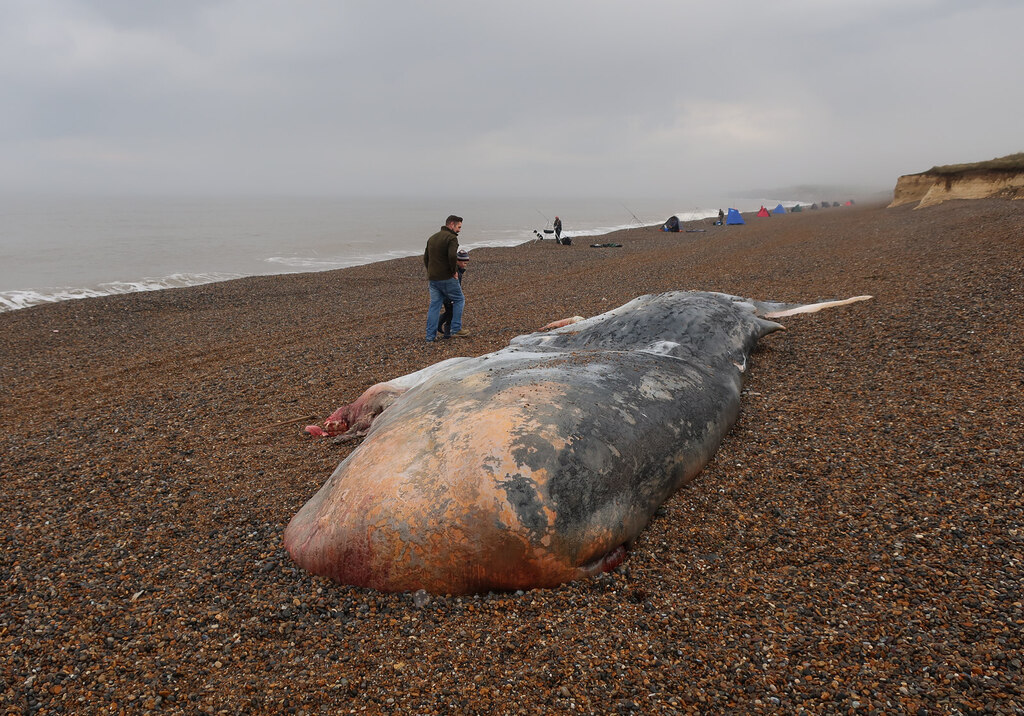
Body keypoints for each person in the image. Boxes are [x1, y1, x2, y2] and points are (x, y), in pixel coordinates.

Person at [423, 215, 468, 342]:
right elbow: (452, 256)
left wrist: (430, 272)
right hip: (447, 277)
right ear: (451, 224)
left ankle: (430, 337)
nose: (459, 230)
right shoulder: (451, 238)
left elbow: (426, 258)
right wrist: (454, 271)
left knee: (434, 306)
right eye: (458, 227)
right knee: (459, 299)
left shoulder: (432, 238)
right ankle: (456, 329)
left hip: (433, 278)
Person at [437, 249, 469, 338]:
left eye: (466, 263)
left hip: (449, 295)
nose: (465, 265)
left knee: (449, 312)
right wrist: (452, 298)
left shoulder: (458, 270)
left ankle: (440, 326)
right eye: (464, 263)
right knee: (450, 313)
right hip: (449, 296)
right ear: (457, 261)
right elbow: (453, 286)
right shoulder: (455, 272)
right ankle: (446, 333)